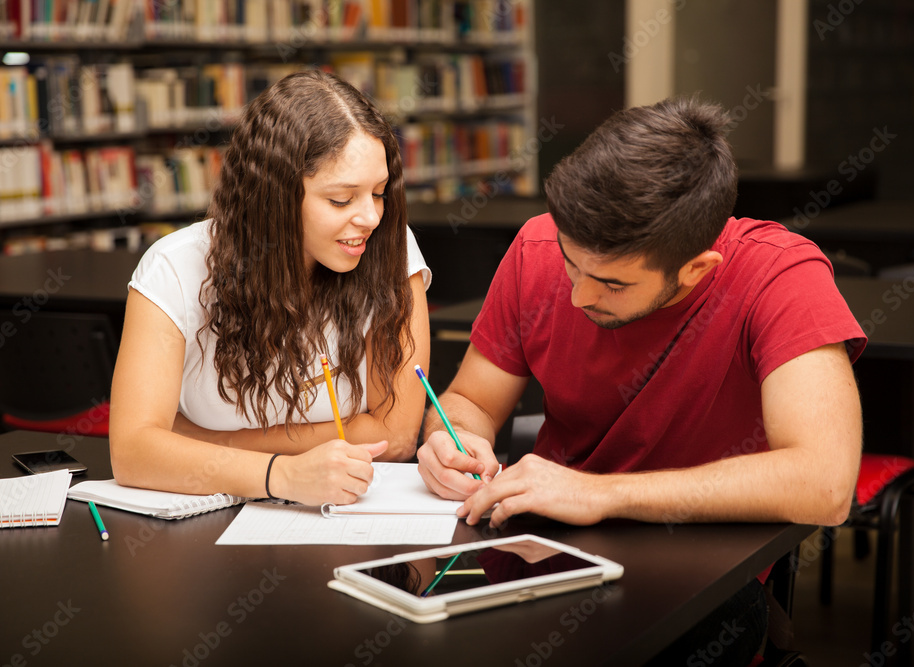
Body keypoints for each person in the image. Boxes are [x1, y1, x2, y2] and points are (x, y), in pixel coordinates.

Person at [416, 96, 865, 664]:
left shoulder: (779, 275)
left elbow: (824, 484)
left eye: (613, 284)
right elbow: (468, 401)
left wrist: (602, 494)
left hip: (696, 567)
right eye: (570, 262)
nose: (579, 296)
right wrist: (448, 438)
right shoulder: (535, 247)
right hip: (545, 548)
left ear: (697, 269)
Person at [110, 70, 431, 507]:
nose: (371, 218)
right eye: (341, 199)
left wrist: (202, 443)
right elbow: (132, 453)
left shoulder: (389, 245)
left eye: (378, 193)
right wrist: (281, 474)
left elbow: (394, 438)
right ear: (273, 198)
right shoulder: (176, 267)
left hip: (350, 517)